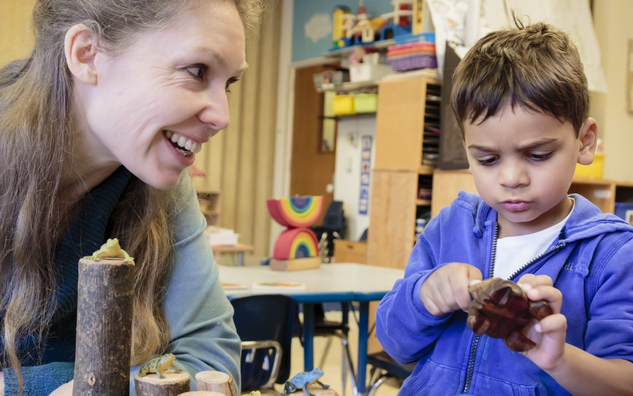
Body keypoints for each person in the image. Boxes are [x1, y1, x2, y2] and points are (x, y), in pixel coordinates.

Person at [0, 0, 264, 395]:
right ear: (87, 54)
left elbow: (212, 360)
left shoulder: (160, 182)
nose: (222, 117)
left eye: (228, 84)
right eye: (197, 71)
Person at [376, 20, 633, 396]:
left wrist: (560, 360)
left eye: (538, 154)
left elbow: (625, 382)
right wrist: (426, 296)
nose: (512, 178)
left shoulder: (611, 254)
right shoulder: (450, 227)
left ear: (584, 142)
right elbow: (396, 346)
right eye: (488, 159)